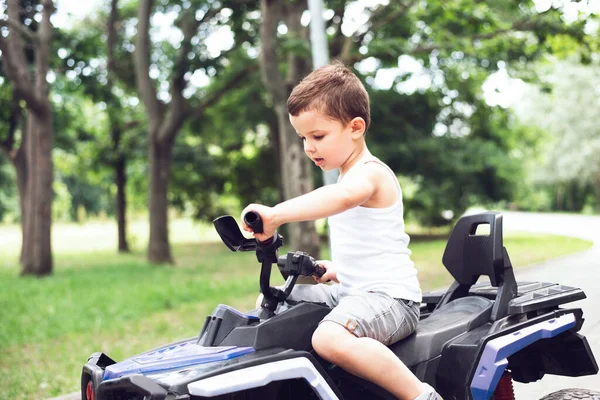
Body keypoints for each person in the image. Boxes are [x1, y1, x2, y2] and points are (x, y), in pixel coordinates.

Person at [241, 62, 439, 400]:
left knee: (328, 338)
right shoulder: (347, 174)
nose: (309, 147)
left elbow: (341, 199)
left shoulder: (369, 174)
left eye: (318, 136)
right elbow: (366, 240)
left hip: (392, 299)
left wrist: (275, 215)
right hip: (352, 291)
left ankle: (420, 395)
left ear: (355, 127)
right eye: (303, 137)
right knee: (274, 302)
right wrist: (337, 268)